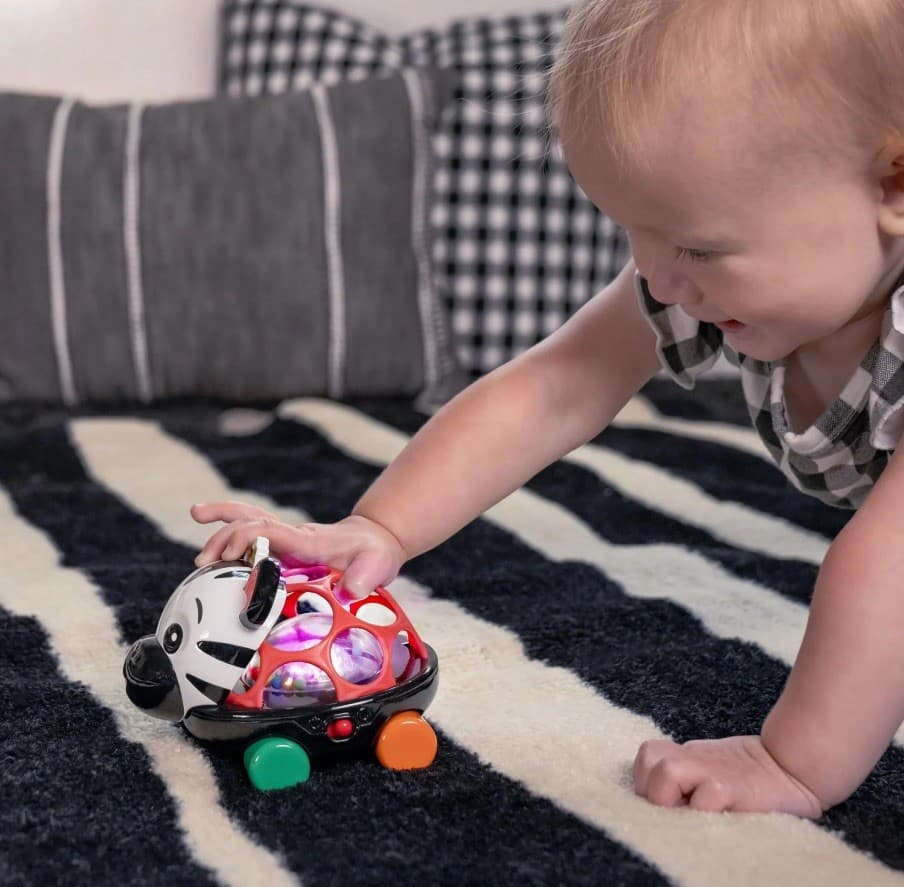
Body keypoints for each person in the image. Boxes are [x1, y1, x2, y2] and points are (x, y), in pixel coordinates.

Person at [192, 0, 904, 817]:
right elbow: (553, 387)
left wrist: (793, 761)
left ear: (895, 182)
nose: (661, 279)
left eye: (699, 247)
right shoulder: (683, 279)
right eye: (634, 231)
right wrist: (379, 528)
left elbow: (889, 560)